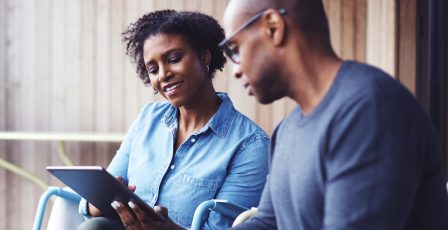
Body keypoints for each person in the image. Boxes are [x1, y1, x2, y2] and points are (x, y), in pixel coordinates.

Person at [217, 0, 448, 229]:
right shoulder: (286, 130)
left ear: (274, 27)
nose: (235, 70)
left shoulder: (369, 111)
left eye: (235, 50)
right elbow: (268, 223)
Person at [77, 10, 269, 230]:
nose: (163, 75)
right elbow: (96, 201)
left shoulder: (250, 145)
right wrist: (99, 203)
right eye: (153, 69)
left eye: (174, 59)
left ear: (204, 56)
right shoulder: (147, 120)